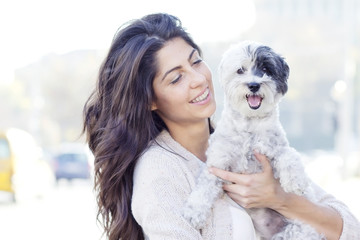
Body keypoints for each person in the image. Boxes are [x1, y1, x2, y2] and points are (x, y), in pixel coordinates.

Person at [83, 13, 360, 240]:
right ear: (150, 100)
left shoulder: (247, 138)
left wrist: (281, 199)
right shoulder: (160, 173)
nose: (198, 79)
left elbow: (350, 228)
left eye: (196, 62)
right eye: (176, 78)